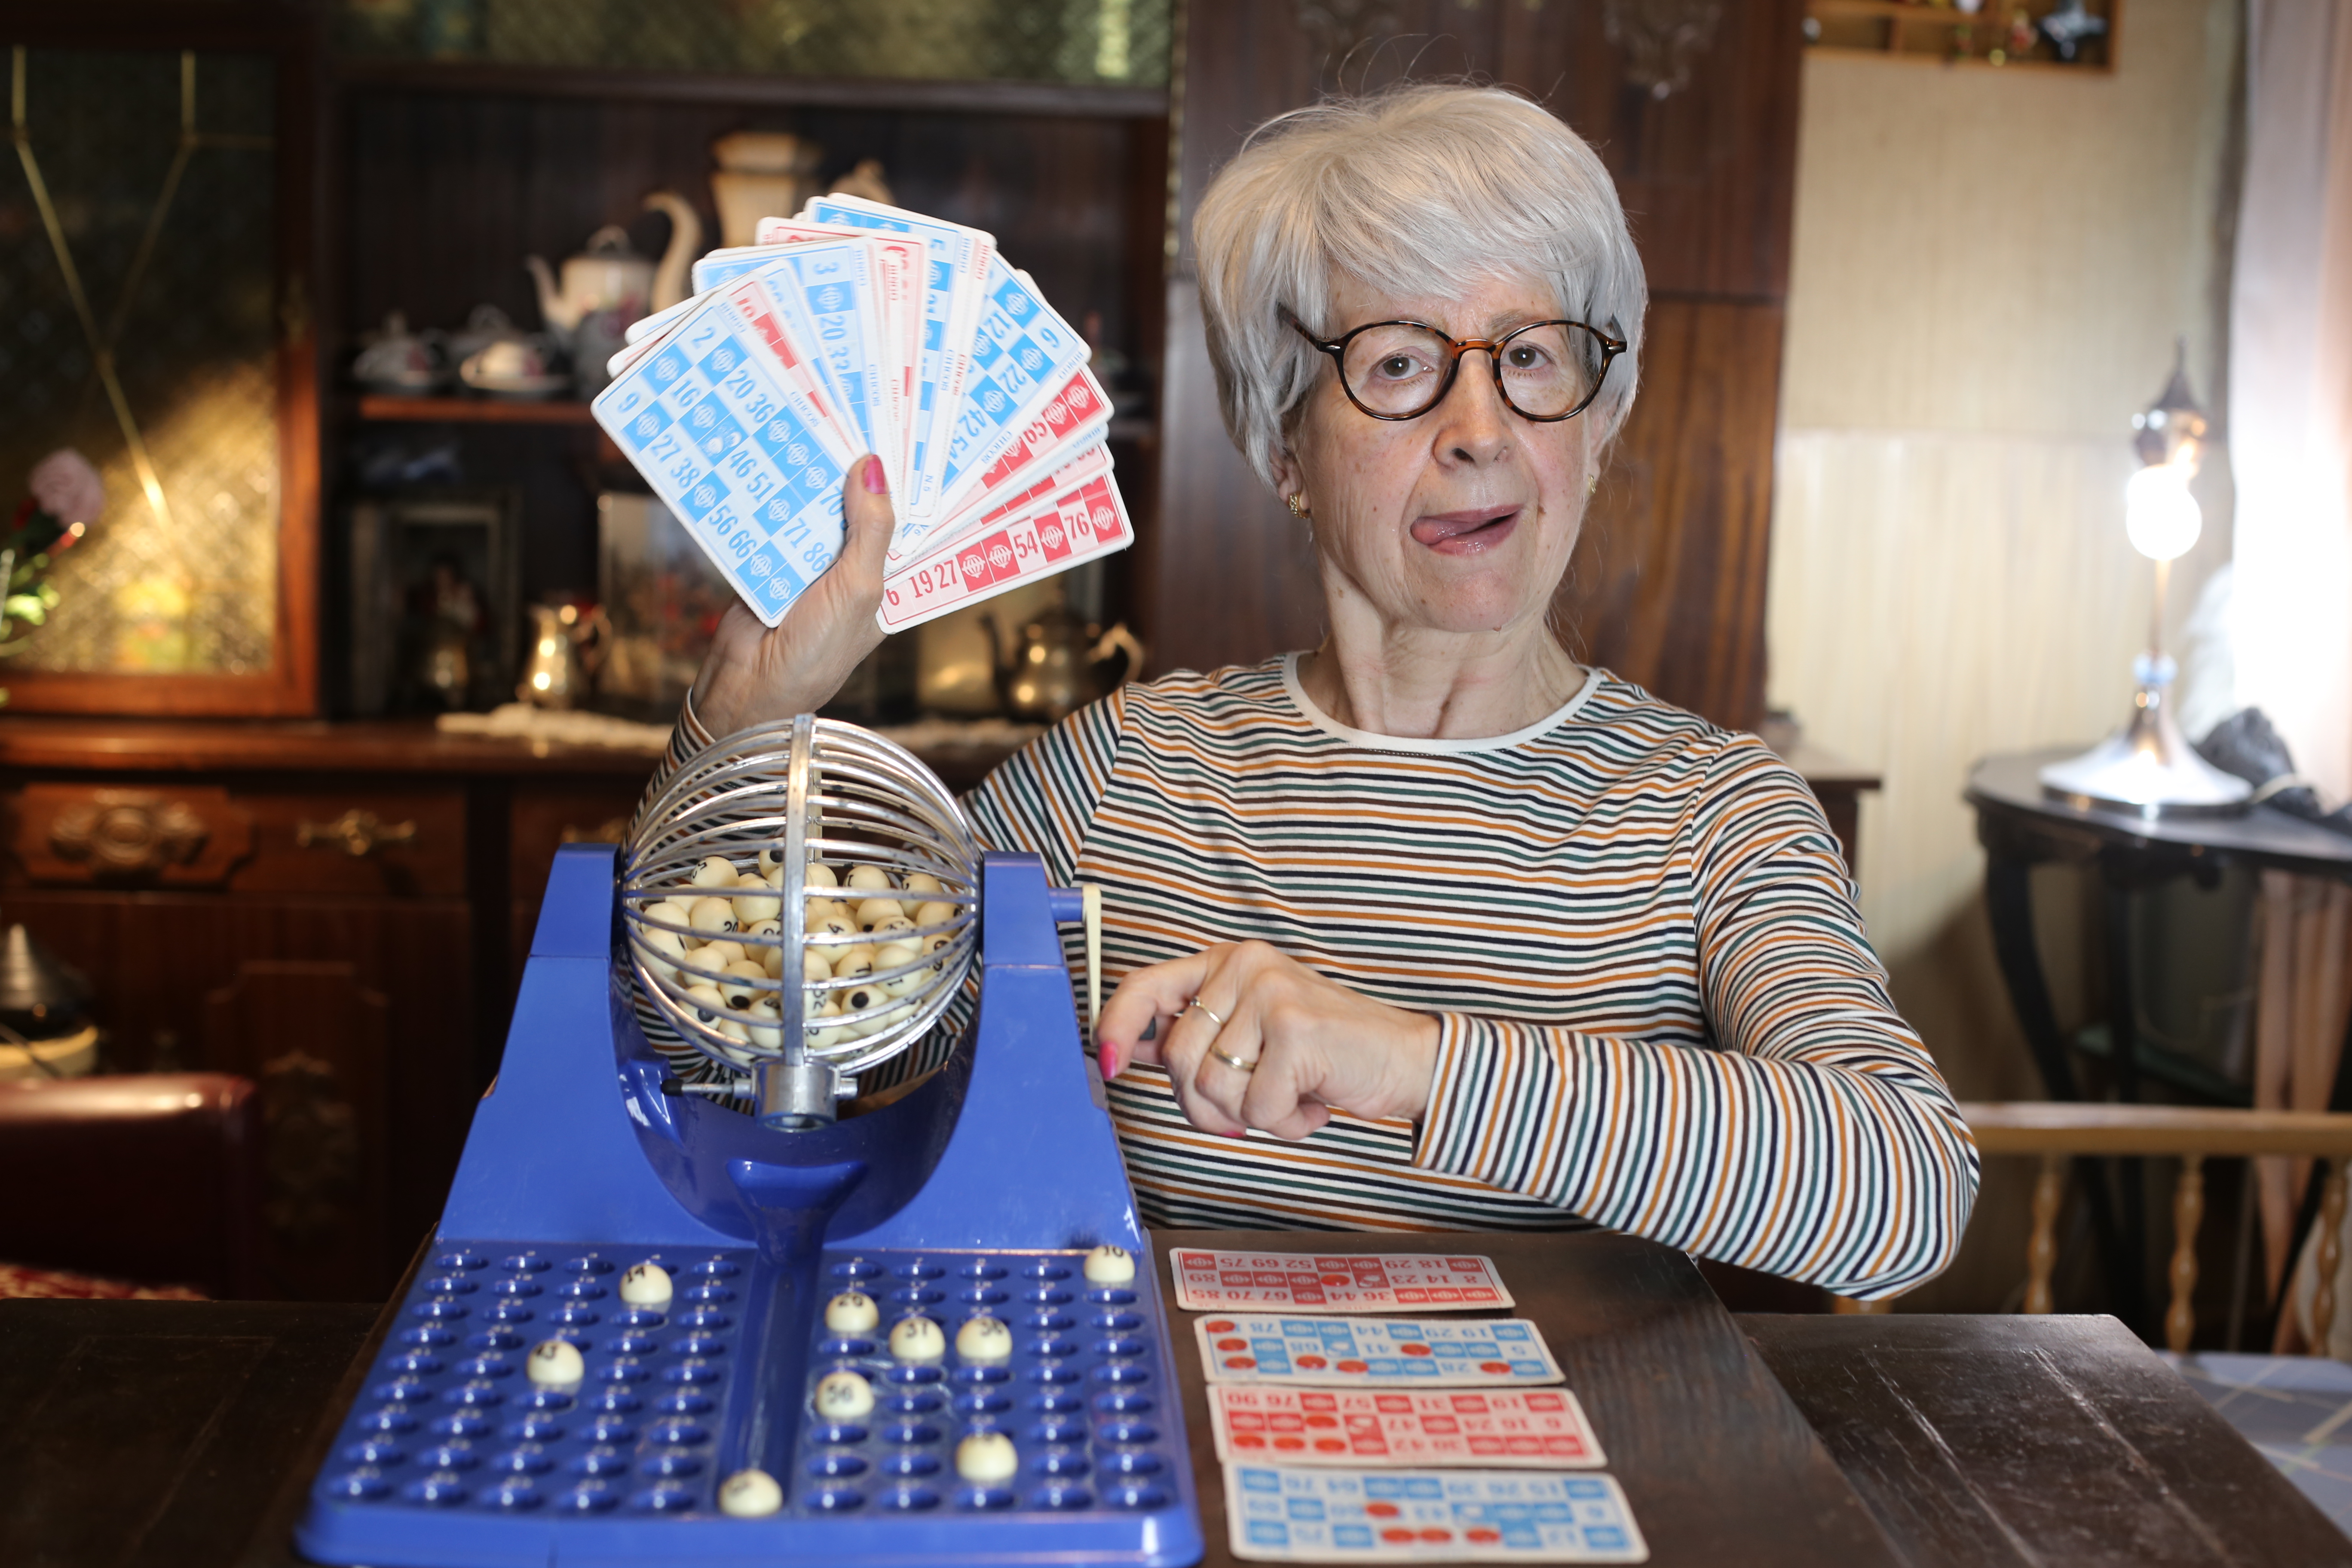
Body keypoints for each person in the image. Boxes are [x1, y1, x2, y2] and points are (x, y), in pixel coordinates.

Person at [645, 84, 1978, 1299]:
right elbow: (722, 1053)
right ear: (1287, 448)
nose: (1480, 428)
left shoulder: (1714, 813)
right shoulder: (1129, 776)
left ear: (1598, 421)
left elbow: (1906, 1195)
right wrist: (743, 729)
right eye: (1398, 364)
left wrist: (1403, 1063)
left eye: (1532, 359)